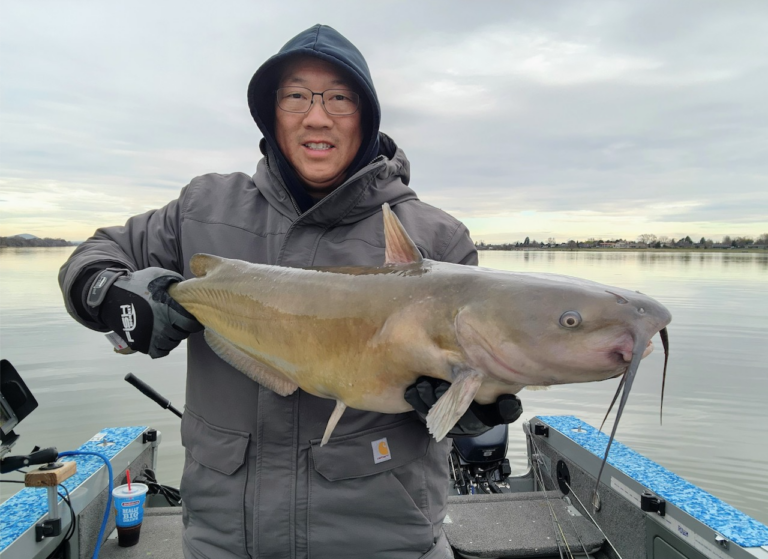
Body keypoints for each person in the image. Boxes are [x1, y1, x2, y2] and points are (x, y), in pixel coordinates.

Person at [59, 24, 522, 559]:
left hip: (385, 540)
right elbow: (91, 259)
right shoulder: (201, 209)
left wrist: (468, 409)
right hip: (222, 540)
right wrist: (117, 298)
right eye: (296, 96)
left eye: (340, 99)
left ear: (367, 117)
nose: (317, 116)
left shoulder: (438, 240)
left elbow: (469, 389)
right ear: (270, 113)